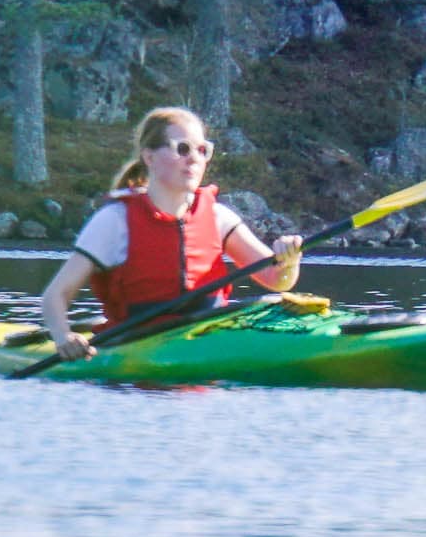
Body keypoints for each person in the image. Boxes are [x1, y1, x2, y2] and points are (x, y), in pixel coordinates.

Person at [33, 106, 303, 360]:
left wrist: (289, 261)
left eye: (202, 150)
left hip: (209, 339)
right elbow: (55, 296)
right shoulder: (114, 221)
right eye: (182, 149)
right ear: (149, 157)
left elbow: (277, 280)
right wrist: (63, 337)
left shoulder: (219, 216)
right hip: (135, 346)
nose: (194, 159)